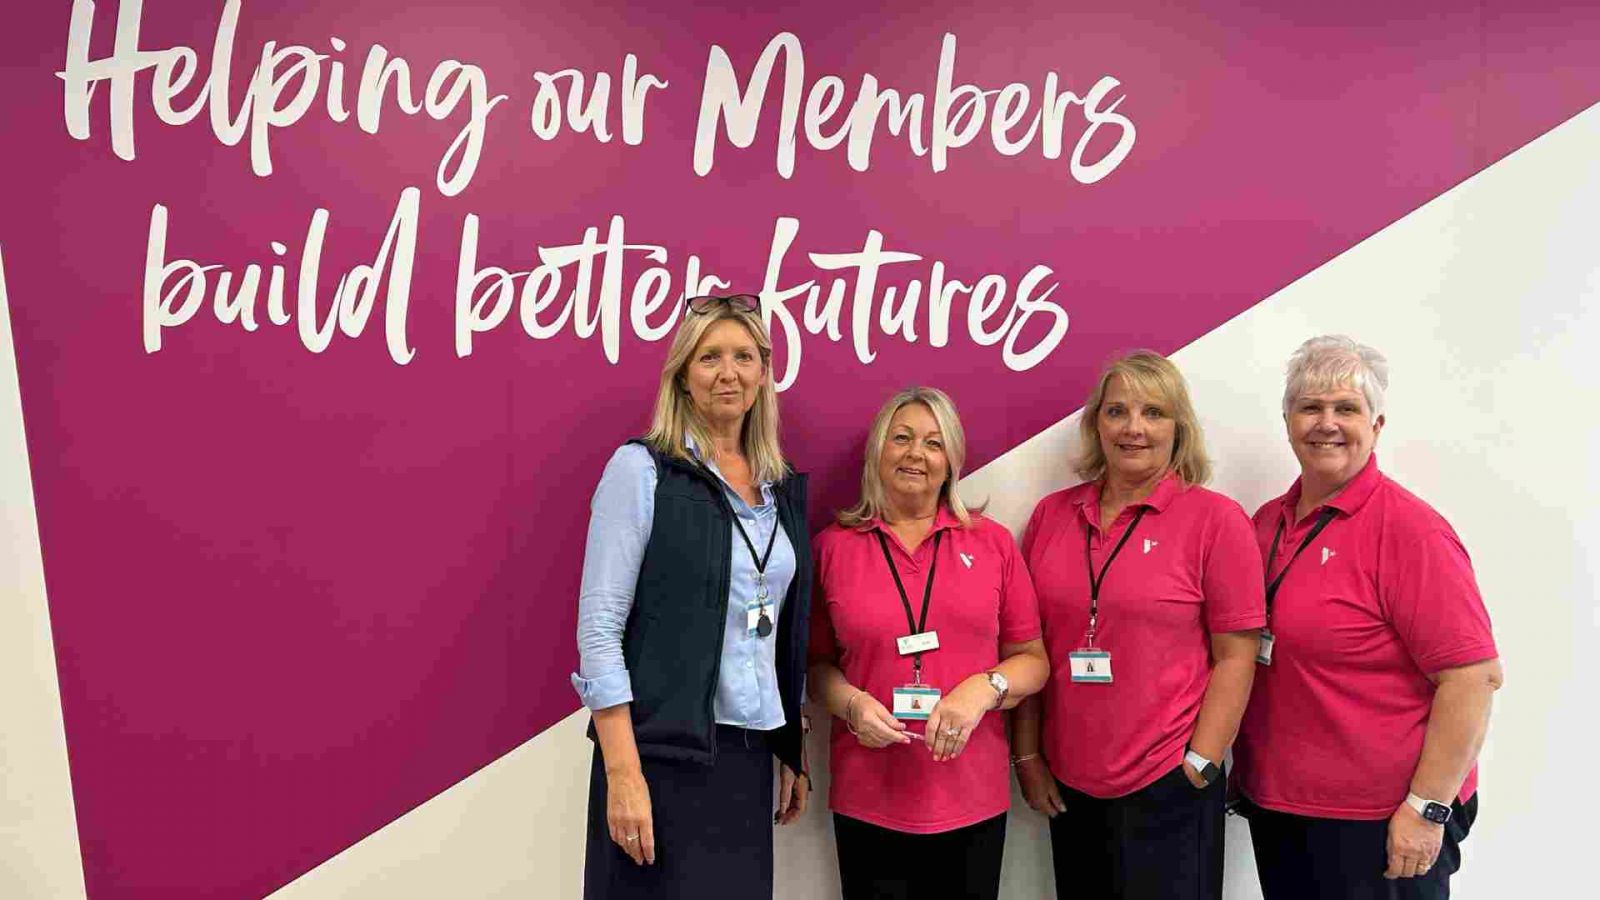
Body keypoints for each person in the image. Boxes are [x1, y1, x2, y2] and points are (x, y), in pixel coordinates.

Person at [1233, 336, 1502, 899]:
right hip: (1280, 807)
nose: (1326, 423)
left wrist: (1426, 810)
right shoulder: (1265, 525)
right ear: (1287, 421)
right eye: (1310, 407)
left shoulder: (1411, 532)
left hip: (1382, 820)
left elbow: (1472, 678)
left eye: (1346, 408)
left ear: (1376, 426)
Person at [570, 294, 812, 899]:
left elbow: (779, 629)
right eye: (709, 358)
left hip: (745, 759)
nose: (727, 373)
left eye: (743, 357)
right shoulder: (642, 470)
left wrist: (792, 748)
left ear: (763, 373)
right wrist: (623, 773)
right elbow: (599, 628)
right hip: (659, 756)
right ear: (682, 376)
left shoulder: (777, 489)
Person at [1010, 351, 1266, 900]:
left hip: (1168, 783)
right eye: (1117, 411)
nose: (1133, 428)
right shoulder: (1053, 517)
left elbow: (1236, 655)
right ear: (1095, 424)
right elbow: (1028, 648)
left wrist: (1200, 762)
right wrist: (1028, 755)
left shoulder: (1215, 521)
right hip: (1069, 784)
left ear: (1179, 428)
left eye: (1154, 412)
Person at [808, 387, 1049, 900]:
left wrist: (982, 689)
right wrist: (851, 705)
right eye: (902, 438)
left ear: (952, 463)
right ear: (878, 451)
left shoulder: (991, 543)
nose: (916, 453)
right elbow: (815, 667)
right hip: (868, 796)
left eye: (934, 443)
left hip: (972, 796)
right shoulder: (832, 548)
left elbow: (1034, 662)